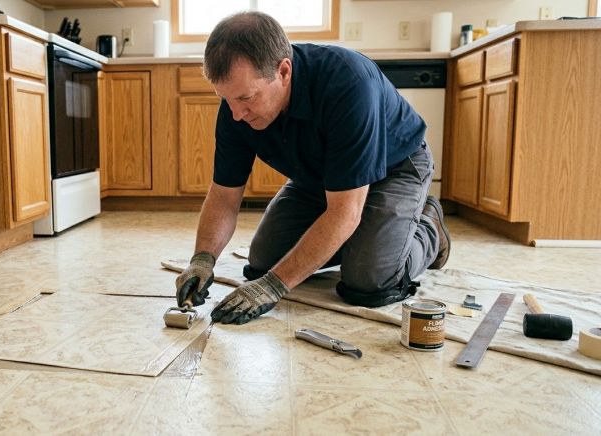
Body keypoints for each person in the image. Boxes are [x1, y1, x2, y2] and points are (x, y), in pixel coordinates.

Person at [175, 11, 450, 325]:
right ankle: (370, 235)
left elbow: (344, 212)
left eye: (247, 98)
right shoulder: (236, 108)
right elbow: (224, 196)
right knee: (263, 262)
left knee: (368, 280)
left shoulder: (349, 83)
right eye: (226, 99)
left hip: (395, 168)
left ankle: (429, 228)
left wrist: (273, 286)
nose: (237, 114)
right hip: (320, 177)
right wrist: (202, 259)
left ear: (284, 71)